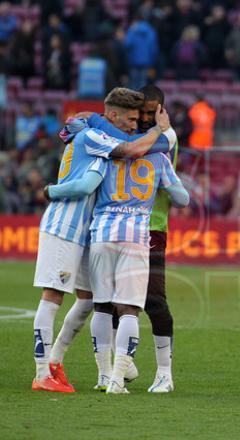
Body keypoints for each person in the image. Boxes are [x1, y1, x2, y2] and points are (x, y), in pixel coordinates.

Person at [32, 87, 175, 393]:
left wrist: (89, 120)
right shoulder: (95, 138)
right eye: (132, 119)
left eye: (144, 117)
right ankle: (43, 372)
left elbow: (152, 143)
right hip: (65, 226)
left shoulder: (95, 129)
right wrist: (50, 191)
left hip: (92, 231)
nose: (136, 125)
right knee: (54, 295)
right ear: (113, 115)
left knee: (90, 300)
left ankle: (63, 362)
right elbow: (91, 180)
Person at [89, 85, 179, 393]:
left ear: (161, 111)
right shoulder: (138, 134)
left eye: (151, 111)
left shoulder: (165, 138)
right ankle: (117, 368)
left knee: (152, 300)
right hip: (117, 225)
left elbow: (135, 149)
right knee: (109, 302)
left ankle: (164, 373)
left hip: (151, 226)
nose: (143, 117)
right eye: (140, 112)